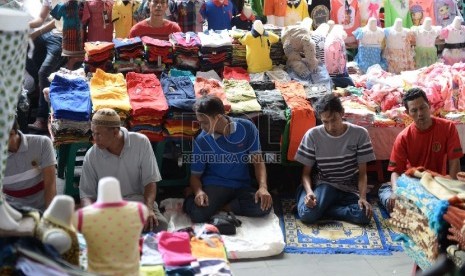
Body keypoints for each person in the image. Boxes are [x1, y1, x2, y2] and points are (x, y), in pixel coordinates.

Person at [183, 95, 273, 223]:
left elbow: (258, 162)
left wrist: (263, 187)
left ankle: (222, 207)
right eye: (199, 122)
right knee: (197, 215)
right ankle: (190, 196)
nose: (201, 127)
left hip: (241, 185)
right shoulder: (202, 140)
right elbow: (195, 176)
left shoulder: (247, 127)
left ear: (219, 117)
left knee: (264, 206)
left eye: (205, 122)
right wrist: (198, 192)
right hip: (216, 185)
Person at [79, 108, 168, 232]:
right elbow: (87, 195)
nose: (94, 138)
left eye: (98, 134)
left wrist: (148, 208)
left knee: (161, 226)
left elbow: (150, 182)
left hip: (140, 204)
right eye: (93, 133)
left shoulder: (141, 142)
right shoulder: (92, 155)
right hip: (109, 208)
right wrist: (91, 215)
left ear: (115, 132)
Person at [294, 94, 375, 225]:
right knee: (306, 215)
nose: (331, 126)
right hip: (326, 185)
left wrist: (363, 197)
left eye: (334, 120)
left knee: (364, 215)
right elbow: (305, 174)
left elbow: (362, 173)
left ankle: (323, 210)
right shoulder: (312, 135)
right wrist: (309, 192)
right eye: (325, 122)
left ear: (342, 113)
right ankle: (305, 195)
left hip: (349, 187)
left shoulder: (360, 134)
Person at [379, 88, 463, 213]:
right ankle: (388, 191)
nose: (420, 113)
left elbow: (454, 162)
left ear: (429, 106)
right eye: (414, 110)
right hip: (413, 185)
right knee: (394, 201)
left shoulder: (448, 128)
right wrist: (396, 192)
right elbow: (395, 172)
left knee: (451, 207)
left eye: (423, 107)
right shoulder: (403, 137)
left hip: (437, 183)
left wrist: (453, 191)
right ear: (408, 113)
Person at [27, 0, 67, 132]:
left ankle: (42, 118)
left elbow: (56, 21)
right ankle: (39, 85)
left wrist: (36, 33)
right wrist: (21, 25)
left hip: (62, 38)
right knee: (24, 45)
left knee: (44, 73)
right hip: (48, 34)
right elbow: (40, 19)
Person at [4, 119, 57, 211]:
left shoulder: (42, 143)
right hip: (11, 212)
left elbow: (50, 185)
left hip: (42, 208)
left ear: (12, 133)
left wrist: (50, 218)